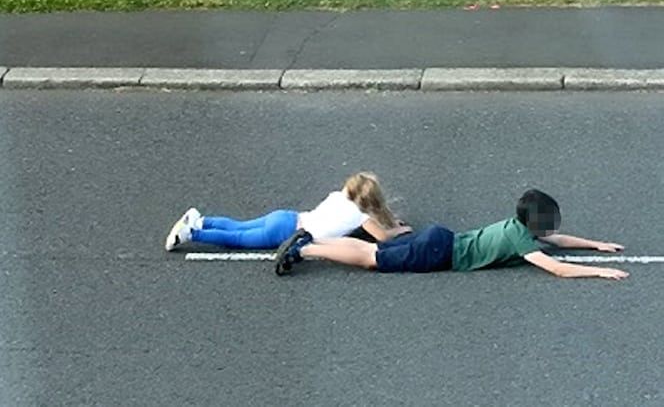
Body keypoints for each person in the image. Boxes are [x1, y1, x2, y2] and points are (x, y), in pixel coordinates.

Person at [273, 188, 628, 280]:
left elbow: (558, 240)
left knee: (373, 252)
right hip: (440, 253)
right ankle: (304, 251)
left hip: (441, 238)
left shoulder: (517, 227)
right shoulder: (521, 241)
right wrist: (598, 269)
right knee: (371, 259)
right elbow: (556, 267)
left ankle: (312, 241)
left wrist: (594, 244)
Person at [164, 171, 411, 252]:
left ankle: (203, 220)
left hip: (287, 216)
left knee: (241, 226)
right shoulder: (362, 216)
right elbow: (382, 238)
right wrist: (398, 229)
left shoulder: (337, 197)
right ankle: (192, 234)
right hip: (287, 233)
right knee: (237, 240)